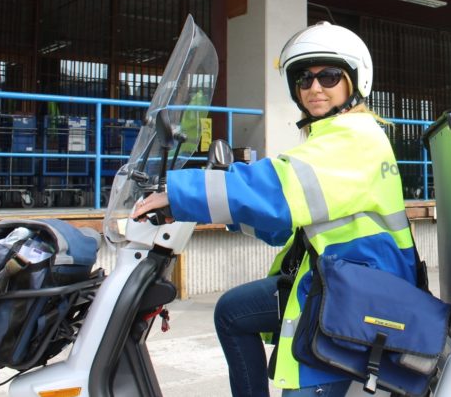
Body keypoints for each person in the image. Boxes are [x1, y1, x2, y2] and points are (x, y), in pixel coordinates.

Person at [131, 22, 417, 397]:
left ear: (354, 81)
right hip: (337, 278)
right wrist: (224, 211)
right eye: (304, 78)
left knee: (303, 378)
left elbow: (280, 189)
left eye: (329, 76)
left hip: (355, 298)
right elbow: (286, 217)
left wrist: (182, 193)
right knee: (232, 312)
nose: (315, 87)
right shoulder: (333, 137)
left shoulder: (356, 137)